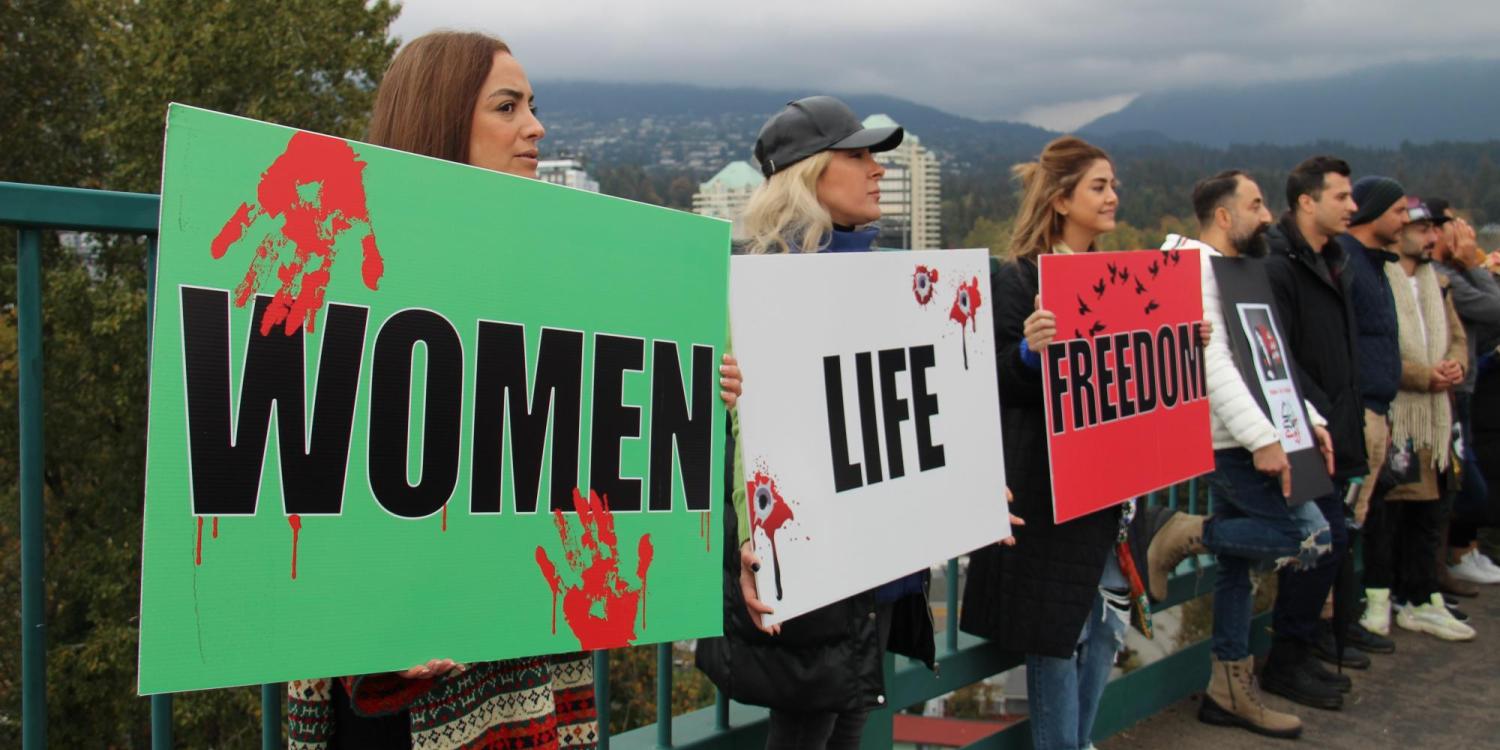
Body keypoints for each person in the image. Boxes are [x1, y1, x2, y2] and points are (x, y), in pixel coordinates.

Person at [284, 31, 745, 750]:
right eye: (508, 107)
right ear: (440, 120)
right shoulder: (350, 276)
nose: (536, 127)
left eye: (532, 105)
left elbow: (588, 448)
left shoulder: (548, 278)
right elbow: (304, 485)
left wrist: (690, 392)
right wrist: (369, 631)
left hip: (524, 680)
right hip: (407, 698)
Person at [695, 95, 1012, 750]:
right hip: (815, 567)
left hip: (881, 571)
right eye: (859, 155)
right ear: (810, 174)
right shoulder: (759, 291)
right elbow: (737, 440)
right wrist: (753, 536)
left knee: (848, 725)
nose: (878, 169)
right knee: (812, 732)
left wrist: (969, 482)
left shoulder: (887, 282)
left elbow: (910, 407)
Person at [960, 135, 1161, 750]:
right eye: (1099, 186)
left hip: (1109, 489)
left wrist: (1180, 340)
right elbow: (984, 377)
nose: (1112, 196)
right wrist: (1027, 352)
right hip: (1049, 492)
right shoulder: (1017, 280)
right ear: (1061, 200)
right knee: (1056, 636)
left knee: (1105, 627)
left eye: (1112, 185)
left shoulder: (1119, 279)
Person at [1157, 170, 1335, 739]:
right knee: (1309, 537)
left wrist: (1309, 421)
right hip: (1229, 440)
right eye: (1256, 205)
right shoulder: (1195, 274)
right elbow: (1216, 368)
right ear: (1225, 216)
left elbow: (1266, 358)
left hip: (1251, 434)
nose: (1267, 216)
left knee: (1238, 568)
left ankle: (1228, 688)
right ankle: (1185, 532)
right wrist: (1263, 439)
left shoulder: (1237, 269)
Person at [1259, 156, 1365, 710]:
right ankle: (1285, 661)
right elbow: (1278, 354)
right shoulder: (1280, 266)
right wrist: (1314, 415)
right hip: (1301, 426)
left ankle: (1298, 653)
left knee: (1331, 540)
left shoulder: (1331, 260)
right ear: (1307, 201)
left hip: (1330, 425)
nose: (1353, 206)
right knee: (1321, 541)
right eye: (1342, 196)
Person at [1363, 198, 1474, 642]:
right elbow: (1377, 348)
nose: (1431, 238)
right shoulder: (1379, 280)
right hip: (1398, 412)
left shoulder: (1437, 283)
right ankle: (1379, 597)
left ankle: (1419, 596)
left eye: (1433, 229)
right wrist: (1419, 374)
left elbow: (1457, 338)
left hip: (1434, 415)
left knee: (1429, 508)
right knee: (1386, 512)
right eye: (1422, 228)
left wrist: (1455, 365)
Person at [1333, 176, 1408, 657]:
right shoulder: (1348, 265)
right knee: (1339, 521)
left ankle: (1343, 619)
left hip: (1377, 409)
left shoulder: (1374, 266)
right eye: (1398, 210)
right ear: (1373, 212)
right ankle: (1327, 628)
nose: (1405, 220)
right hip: (1357, 411)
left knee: (1353, 521)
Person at [1427, 198, 1500, 585]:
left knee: (1460, 483)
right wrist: (1474, 265)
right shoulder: (1443, 275)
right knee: (1462, 485)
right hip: (1453, 390)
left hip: (1465, 384)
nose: (1464, 234)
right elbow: (1496, 310)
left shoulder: (1450, 274)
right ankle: (1447, 561)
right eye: (1455, 225)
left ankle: (1459, 554)